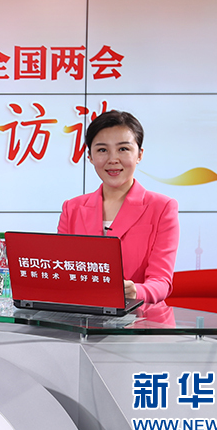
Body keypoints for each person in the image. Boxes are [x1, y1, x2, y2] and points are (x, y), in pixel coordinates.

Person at [57, 110, 179, 304]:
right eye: (102, 150)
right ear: (90, 156)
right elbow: (62, 272)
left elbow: (161, 281)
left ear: (139, 154)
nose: (113, 159)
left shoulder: (162, 208)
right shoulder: (72, 209)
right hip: (82, 313)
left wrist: (136, 291)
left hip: (140, 316)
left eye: (123, 149)